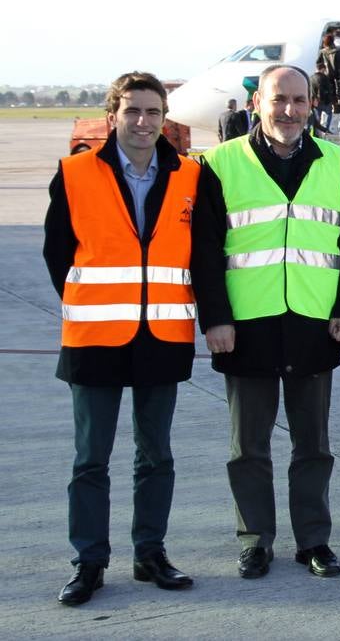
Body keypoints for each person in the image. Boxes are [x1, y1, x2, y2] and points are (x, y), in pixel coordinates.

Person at [192, 64, 340, 580]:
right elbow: (204, 251)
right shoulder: (220, 163)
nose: (288, 110)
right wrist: (216, 319)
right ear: (257, 105)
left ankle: (314, 540)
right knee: (249, 447)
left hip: (314, 322)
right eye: (278, 100)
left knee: (313, 445)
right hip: (246, 326)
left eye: (298, 100)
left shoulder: (336, 162)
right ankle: (254, 540)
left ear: (311, 105)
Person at [44, 72, 199, 606]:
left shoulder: (190, 177)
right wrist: (94, 301)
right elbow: (57, 254)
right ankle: (88, 561)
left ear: (164, 119)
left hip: (161, 335)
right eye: (132, 111)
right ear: (113, 117)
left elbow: (200, 253)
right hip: (95, 336)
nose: (142, 122)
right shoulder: (74, 174)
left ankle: (149, 552)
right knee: (91, 458)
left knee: (155, 455)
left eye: (153, 112)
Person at [310, 62, 336, 132]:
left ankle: (317, 132)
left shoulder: (311, 77)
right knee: (329, 114)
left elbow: (311, 90)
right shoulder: (324, 77)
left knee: (317, 118)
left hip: (315, 102)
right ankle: (326, 129)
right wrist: (330, 100)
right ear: (323, 69)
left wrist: (314, 100)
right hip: (324, 101)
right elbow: (327, 89)